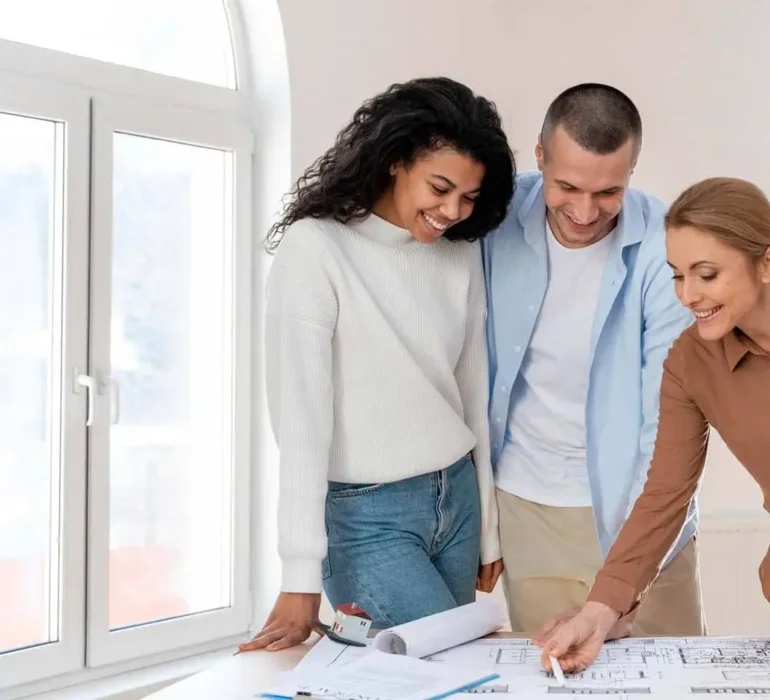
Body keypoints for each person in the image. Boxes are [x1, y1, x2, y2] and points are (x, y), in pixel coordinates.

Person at [238, 77, 515, 653]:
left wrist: (487, 528)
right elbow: (301, 421)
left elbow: (472, 390)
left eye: (468, 198)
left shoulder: (458, 252)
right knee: (453, 674)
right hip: (368, 519)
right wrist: (299, 578)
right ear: (395, 161)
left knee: (444, 678)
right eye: (440, 188)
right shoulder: (315, 248)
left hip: (457, 499)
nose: (451, 211)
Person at [482, 83, 704, 636]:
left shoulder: (664, 243)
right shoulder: (495, 220)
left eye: (609, 192)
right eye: (568, 186)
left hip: (641, 512)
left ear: (632, 170)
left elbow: (667, 412)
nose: (585, 212)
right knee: (554, 676)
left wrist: (633, 559)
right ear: (539, 156)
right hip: (528, 506)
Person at [540, 176, 770, 673]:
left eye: (706, 275)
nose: (687, 295)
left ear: (765, 263)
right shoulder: (691, 361)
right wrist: (602, 610)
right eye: (677, 275)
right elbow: (665, 494)